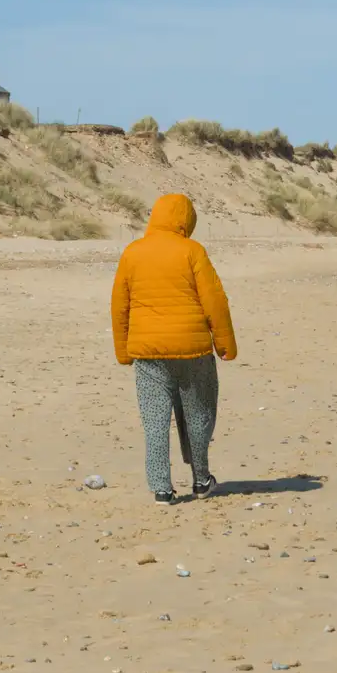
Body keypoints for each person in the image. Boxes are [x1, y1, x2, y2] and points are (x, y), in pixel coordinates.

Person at [110, 193, 236, 505]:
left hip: (148, 354)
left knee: (154, 421)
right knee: (199, 415)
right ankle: (201, 479)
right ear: (186, 220)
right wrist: (225, 344)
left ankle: (162, 489)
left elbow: (119, 307)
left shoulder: (132, 253)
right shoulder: (193, 251)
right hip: (193, 352)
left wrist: (123, 351)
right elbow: (215, 302)